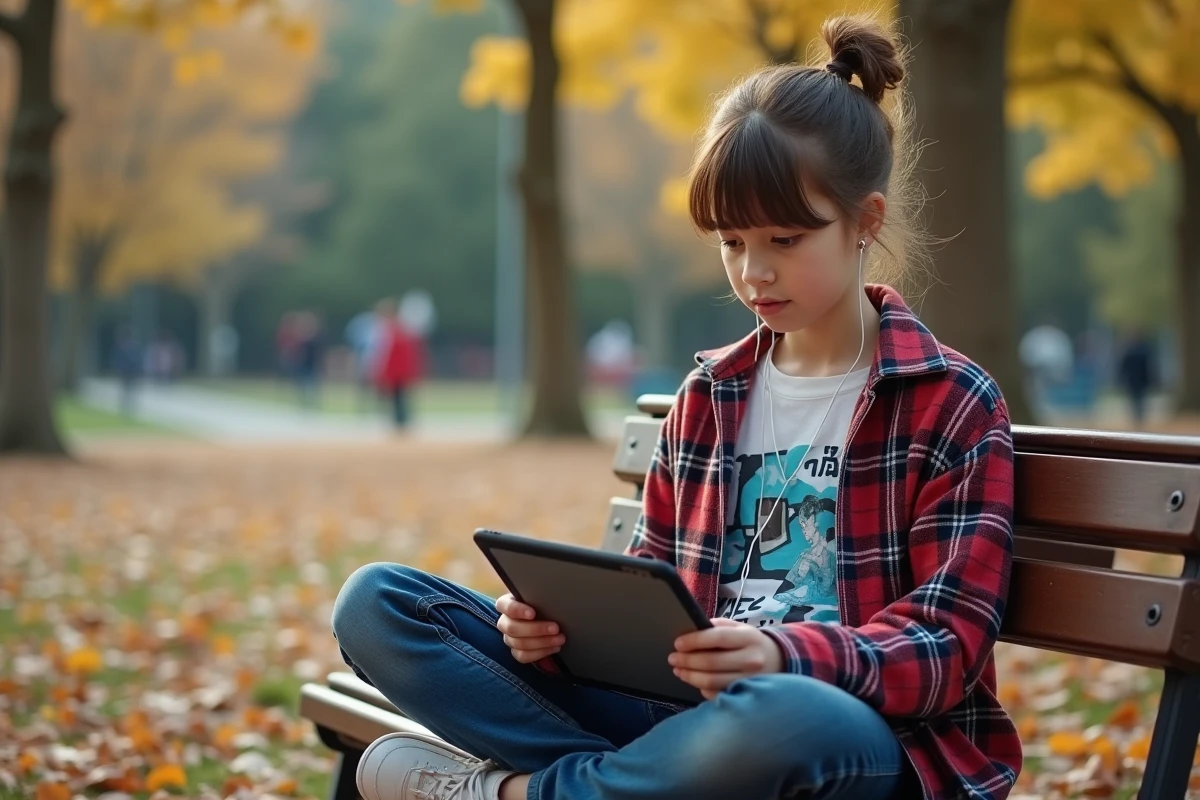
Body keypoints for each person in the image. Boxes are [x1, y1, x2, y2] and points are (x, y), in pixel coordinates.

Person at [331, 16, 1019, 800]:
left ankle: (508, 793)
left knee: (788, 717)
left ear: (865, 221)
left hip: (850, 734)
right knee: (381, 604)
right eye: (731, 243)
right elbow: (649, 607)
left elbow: (944, 647)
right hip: (681, 725)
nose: (754, 272)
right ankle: (614, 787)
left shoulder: (950, 402)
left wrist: (782, 656)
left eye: (785, 239)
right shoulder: (709, 398)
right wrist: (551, 639)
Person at [373, 299, 426, 428]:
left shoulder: (393, 331)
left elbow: (386, 353)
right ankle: (401, 420)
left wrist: (381, 370)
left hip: (397, 370)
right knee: (399, 397)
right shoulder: (401, 329)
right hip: (400, 370)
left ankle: (401, 421)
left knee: (398, 397)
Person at [1117, 329, 1158, 425]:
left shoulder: (1129, 350)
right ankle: (1138, 418)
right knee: (1138, 400)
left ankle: (1138, 418)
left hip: (1137, 380)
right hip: (1137, 380)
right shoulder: (1142, 350)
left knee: (1138, 400)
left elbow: (1123, 367)